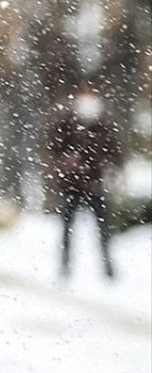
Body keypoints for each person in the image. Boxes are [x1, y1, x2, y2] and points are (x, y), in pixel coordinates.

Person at [48, 85, 121, 280]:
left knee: (103, 228)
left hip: (95, 185)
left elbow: (114, 152)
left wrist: (111, 170)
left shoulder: (103, 125)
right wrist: (66, 160)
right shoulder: (66, 123)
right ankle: (65, 266)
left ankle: (108, 267)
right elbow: (54, 146)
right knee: (67, 228)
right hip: (70, 186)